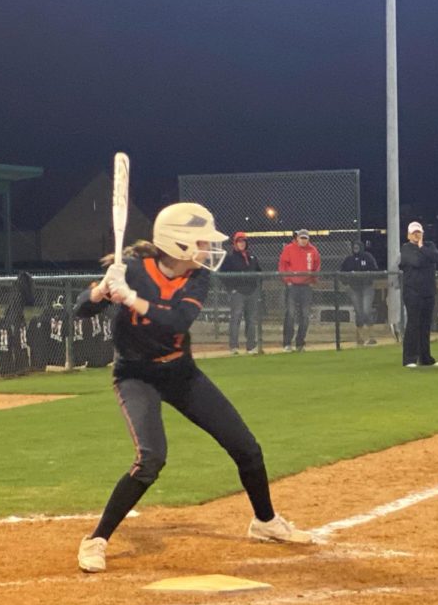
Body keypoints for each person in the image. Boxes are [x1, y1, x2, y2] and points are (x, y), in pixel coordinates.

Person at [75, 203, 312, 574]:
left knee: (247, 448)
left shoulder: (197, 278)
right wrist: (102, 291)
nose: (208, 250)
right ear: (179, 244)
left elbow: (178, 320)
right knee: (151, 458)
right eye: (202, 242)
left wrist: (132, 298)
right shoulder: (133, 270)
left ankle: (265, 522)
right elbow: (80, 310)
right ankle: (96, 539)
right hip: (136, 376)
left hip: (181, 374)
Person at [398, 221, 438, 367]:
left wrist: (422, 248)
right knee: (413, 324)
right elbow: (416, 261)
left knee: (425, 325)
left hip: (428, 291)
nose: (417, 235)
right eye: (414, 233)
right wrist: (425, 256)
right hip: (412, 292)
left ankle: (425, 358)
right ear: (409, 234)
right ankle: (409, 359)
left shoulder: (429, 245)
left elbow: (436, 258)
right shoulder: (406, 248)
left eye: (419, 232)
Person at [278, 229, 320, 352]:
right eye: (301, 238)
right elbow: (282, 265)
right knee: (290, 314)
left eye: (305, 238)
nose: (303, 240)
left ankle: (300, 343)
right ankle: (287, 343)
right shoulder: (289, 249)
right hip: (292, 286)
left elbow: (316, 266)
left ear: (308, 239)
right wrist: (287, 280)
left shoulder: (313, 251)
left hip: (306, 286)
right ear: (297, 238)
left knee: (305, 316)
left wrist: (313, 281)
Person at [220, 231, 262, 355]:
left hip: (251, 292)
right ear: (235, 243)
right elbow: (223, 275)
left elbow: (259, 273)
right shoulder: (230, 258)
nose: (242, 244)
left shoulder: (252, 257)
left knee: (251, 319)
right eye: (239, 241)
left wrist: (256, 288)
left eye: (243, 241)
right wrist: (231, 289)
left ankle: (251, 346)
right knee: (236, 318)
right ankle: (234, 347)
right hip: (237, 292)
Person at [340, 240, 379, 346]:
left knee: (366, 311)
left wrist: (368, 277)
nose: (355, 248)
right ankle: (360, 338)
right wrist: (347, 281)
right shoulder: (349, 260)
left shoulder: (368, 257)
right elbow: (342, 273)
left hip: (367, 287)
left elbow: (375, 270)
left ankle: (371, 337)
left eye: (357, 246)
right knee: (359, 313)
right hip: (354, 288)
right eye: (354, 246)